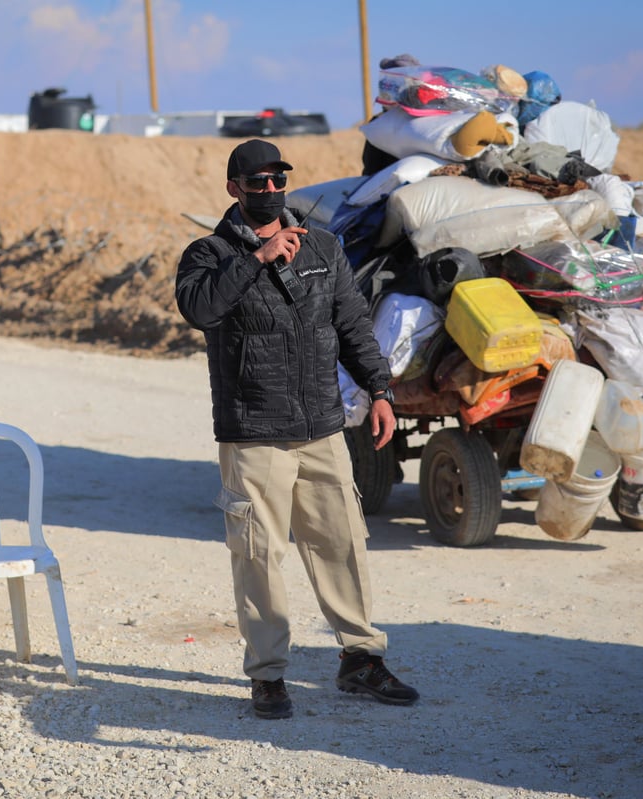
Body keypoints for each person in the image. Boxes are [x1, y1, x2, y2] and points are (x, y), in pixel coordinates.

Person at [175, 139, 418, 720]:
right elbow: (200, 310)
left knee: (343, 543)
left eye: (277, 179)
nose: (269, 190)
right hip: (254, 430)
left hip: (321, 426)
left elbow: (354, 324)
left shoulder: (324, 248)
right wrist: (255, 258)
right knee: (258, 554)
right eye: (255, 182)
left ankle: (361, 659)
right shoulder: (207, 254)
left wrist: (381, 391)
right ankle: (268, 677)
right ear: (233, 188)